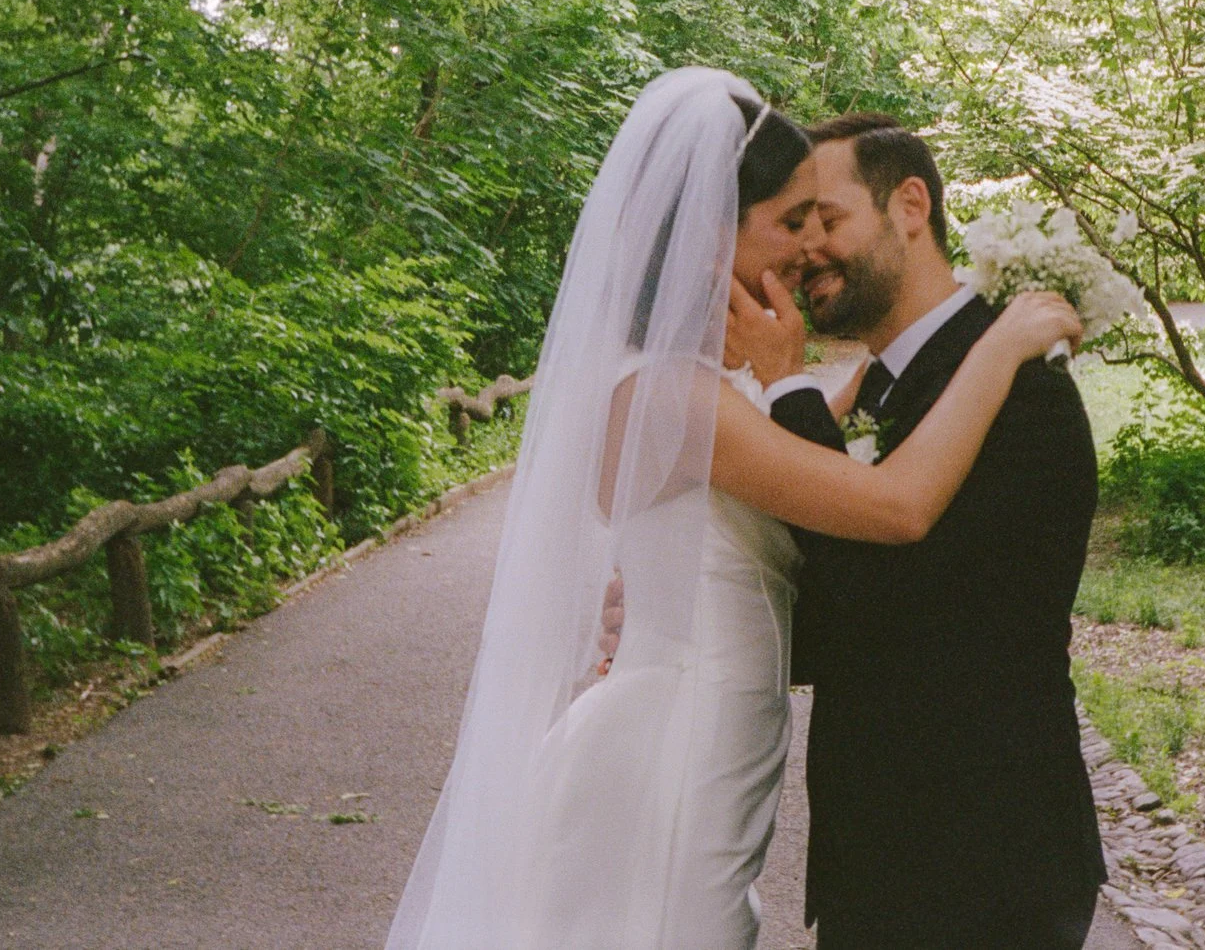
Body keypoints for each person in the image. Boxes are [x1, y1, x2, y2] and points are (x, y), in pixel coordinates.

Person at [382, 68, 1077, 950]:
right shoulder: (676, 397)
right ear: (714, 239)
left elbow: (813, 442)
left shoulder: (703, 389)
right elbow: (895, 506)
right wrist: (1002, 339)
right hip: (677, 745)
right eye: (789, 223)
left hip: (712, 739)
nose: (804, 250)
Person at [739, 113, 1109, 950]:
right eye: (793, 226)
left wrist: (786, 388)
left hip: (985, 865)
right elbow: (841, 624)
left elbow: (884, 605)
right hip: (892, 864)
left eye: (826, 219)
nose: (804, 253)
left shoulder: (1020, 386)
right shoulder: (891, 388)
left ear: (910, 205)